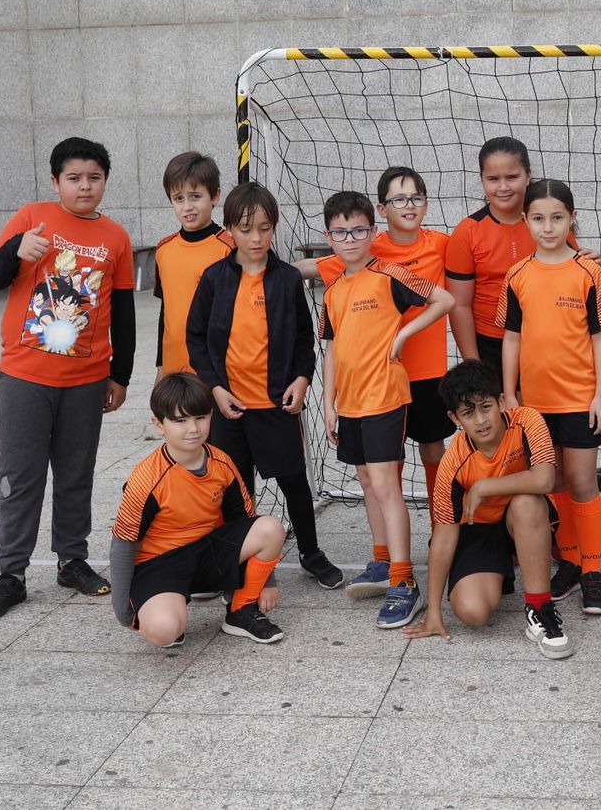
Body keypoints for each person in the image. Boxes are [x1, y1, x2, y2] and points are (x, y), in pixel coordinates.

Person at [0, 136, 135, 620]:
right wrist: (16, 251)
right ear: (55, 182)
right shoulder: (30, 218)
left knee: (75, 473)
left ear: (105, 180)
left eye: (94, 178)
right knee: (20, 475)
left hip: (87, 379)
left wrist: (119, 374)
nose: (84, 187)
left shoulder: (117, 238)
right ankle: (12, 574)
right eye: (74, 178)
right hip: (25, 374)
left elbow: (122, 313)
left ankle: (72, 560)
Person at [187, 182, 344, 590]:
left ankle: (310, 551)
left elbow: (302, 339)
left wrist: (302, 379)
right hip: (229, 408)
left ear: (273, 228)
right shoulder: (214, 279)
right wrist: (216, 389)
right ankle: (248, 556)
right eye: (244, 228)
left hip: (275, 406)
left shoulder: (287, 279)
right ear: (229, 230)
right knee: (237, 488)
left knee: (293, 480)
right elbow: (196, 338)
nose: (255, 238)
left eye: (264, 228)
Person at [309, 166, 455, 601]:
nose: (350, 239)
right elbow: (332, 348)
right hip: (349, 404)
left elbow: (443, 299)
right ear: (329, 237)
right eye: (341, 233)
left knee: (387, 484)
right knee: (368, 484)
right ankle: (381, 559)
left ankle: (404, 578)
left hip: (385, 397)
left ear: (373, 231)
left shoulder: (391, 273)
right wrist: (329, 403)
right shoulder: (333, 289)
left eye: (358, 231)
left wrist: (405, 333)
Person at [498, 178, 601, 615]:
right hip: (534, 404)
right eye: (538, 218)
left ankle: (593, 571)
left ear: (572, 218)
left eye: (557, 218)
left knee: (584, 482)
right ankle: (568, 562)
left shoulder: (589, 271)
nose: (547, 227)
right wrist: (509, 393)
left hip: (579, 398)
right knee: (557, 482)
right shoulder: (518, 275)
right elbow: (511, 338)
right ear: (525, 220)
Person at [401, 360, 574, 659]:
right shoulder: (452, 461)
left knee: (528, 502)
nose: (481, 420)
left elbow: (545, 479)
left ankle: (540, 609)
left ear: (503, 402)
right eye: (469, 412)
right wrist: (434, 611)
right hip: (478, 528)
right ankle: (498, 567)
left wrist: (484, 487)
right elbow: (443, 536)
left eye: (486, 406)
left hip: (519, 518)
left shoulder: (527, 421)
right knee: (474, 613)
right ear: (455, 418)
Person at [109, 372, 288, 646]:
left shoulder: (222, 463)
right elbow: (124, 543)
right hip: (162, 563)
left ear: (211, 416)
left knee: (270, 528)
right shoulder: (147, 478)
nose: (193, 428)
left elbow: (245, 522)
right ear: (159, 424)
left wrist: (267, 582)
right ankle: (169, 609)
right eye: (180, 420)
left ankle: (241, 609)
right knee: (164, 631)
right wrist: (123, 610)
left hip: (208, 552)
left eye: (200, 417)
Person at [444, 136, 591, 374]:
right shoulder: (467, 232)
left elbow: (572, 280)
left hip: (547, 339)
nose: (503, 187)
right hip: (490, 344)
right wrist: (473, 363)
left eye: (512, 177)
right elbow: (459, 305)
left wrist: (589, 266)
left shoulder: (550, 227)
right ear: (482, 180)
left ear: (528, 176)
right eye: (493, 179)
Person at [152, 151, 232, 377]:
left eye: (195, 196)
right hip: (173, 368)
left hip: (216, 369)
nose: (187, 206)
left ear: (215, 196)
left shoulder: (229, 248)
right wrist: (160, 366)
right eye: (179, 198)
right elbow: (165, 312)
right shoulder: (164, 249)